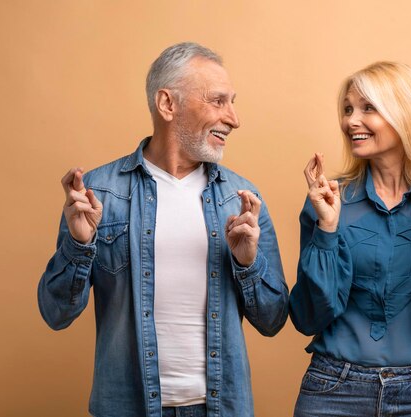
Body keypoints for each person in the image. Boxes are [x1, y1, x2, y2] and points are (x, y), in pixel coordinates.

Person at [37, 42, 289, 417]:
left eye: (232, 102)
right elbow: (55, 313)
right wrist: (78, 244)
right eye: (218, 101)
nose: (234, 118)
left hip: (219, 408)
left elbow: (273, 320)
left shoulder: (241, 200)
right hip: (129, 407)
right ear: (167, 104)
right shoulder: (99, 193)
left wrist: (248, 262)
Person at [289, 62, 411, 416]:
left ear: (404, 114)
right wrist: (327, 231)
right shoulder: (329, 202)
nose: (350, 121)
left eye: (367, 108)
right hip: (332, 389)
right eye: (347, 109)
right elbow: (306, 317)